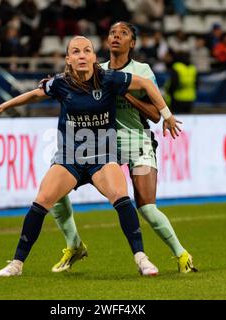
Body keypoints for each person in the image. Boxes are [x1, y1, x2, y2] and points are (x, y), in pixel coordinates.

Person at [0, 36, 182, 277]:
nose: (82, 55)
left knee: (121, 197)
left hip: (103, 157)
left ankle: (141, 258)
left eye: (87, 51)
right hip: (69, 158)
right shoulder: (60, 83)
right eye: (76, 52)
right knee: (42, 200)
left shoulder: (109, 79)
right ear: (68, 59)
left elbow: (148, 85)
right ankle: (17, 263)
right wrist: (1, 108)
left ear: (95, 58)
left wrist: (167, 115)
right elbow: (34, 95)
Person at [50, 22, 198, 274]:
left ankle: (181, 254)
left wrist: (125, 92)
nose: (116, 37)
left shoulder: (142, 71)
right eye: (112, 34)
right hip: (104, 147)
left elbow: (153, 115)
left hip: (138, 143)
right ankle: (73, 244)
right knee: (55, 192)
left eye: (123, 34)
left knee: (147, 208)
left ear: (133, 43)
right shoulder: (97, 70)